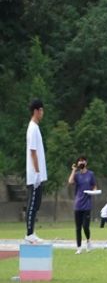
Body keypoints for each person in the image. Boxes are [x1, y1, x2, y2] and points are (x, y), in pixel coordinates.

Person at [25, 99, 47, 243]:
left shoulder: (36, 128)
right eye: (41, 110)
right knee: (32, 204)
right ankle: (29, 234)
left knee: (37, 203)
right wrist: (37, 173)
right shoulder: (32, 128)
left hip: (39, 174)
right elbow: (33, 152)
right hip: (34, 175)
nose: (43, 113)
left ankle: (32, 231)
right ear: (36, 111)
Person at [68, 156, 97, 254]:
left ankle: (88, 241)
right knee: (78, 228)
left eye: (83, 161)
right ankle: (79, 247)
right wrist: (73, 170)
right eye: (80, 161)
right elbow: (70, 181)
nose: (81, 162)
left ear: (86, 162)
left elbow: (94, 186)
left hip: (87, 204)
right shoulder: (76, 175)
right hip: (78, 204)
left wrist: (94, 191)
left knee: (85, 226)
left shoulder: (91, 174)